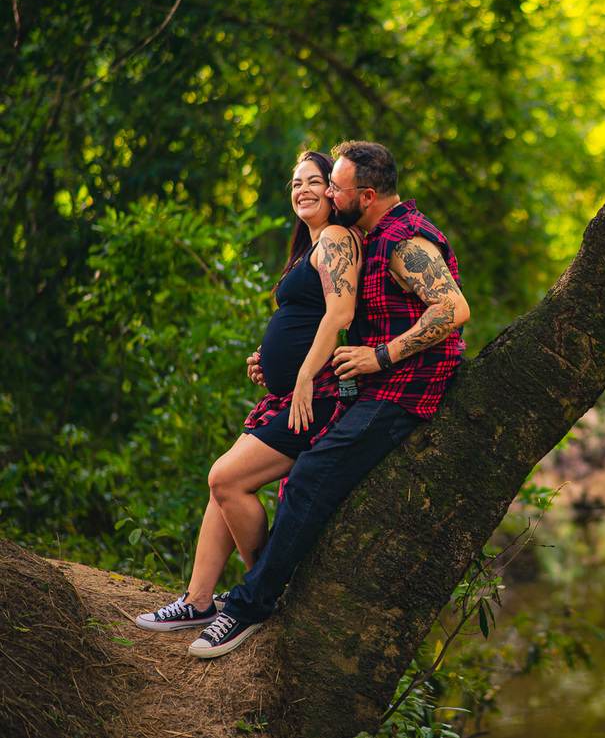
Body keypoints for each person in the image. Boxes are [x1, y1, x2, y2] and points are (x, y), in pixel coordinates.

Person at [188, 140, 470, 658]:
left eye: (334, 187)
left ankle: (250, 606)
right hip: (374, 385)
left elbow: (452, 309)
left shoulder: (405, 240)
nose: (326, 192)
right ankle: (239, 594)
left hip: (404, 389)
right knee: (296, 476)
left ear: (364, 195)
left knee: (310, 476)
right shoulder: (369, 236)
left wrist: (378, 357)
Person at [135, 151, 362, 631]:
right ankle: (198, 601)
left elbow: (339, 316)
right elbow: (301, 320)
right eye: (295, 182)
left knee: (226, 479)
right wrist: (272, 362)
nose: (302, 189)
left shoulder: (338, 239)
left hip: (316, 396)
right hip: (288, 392)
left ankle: (263, 588)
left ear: (334, 192)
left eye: (314, 181)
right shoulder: (311, 245)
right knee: (219, 489)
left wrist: (299, 377)